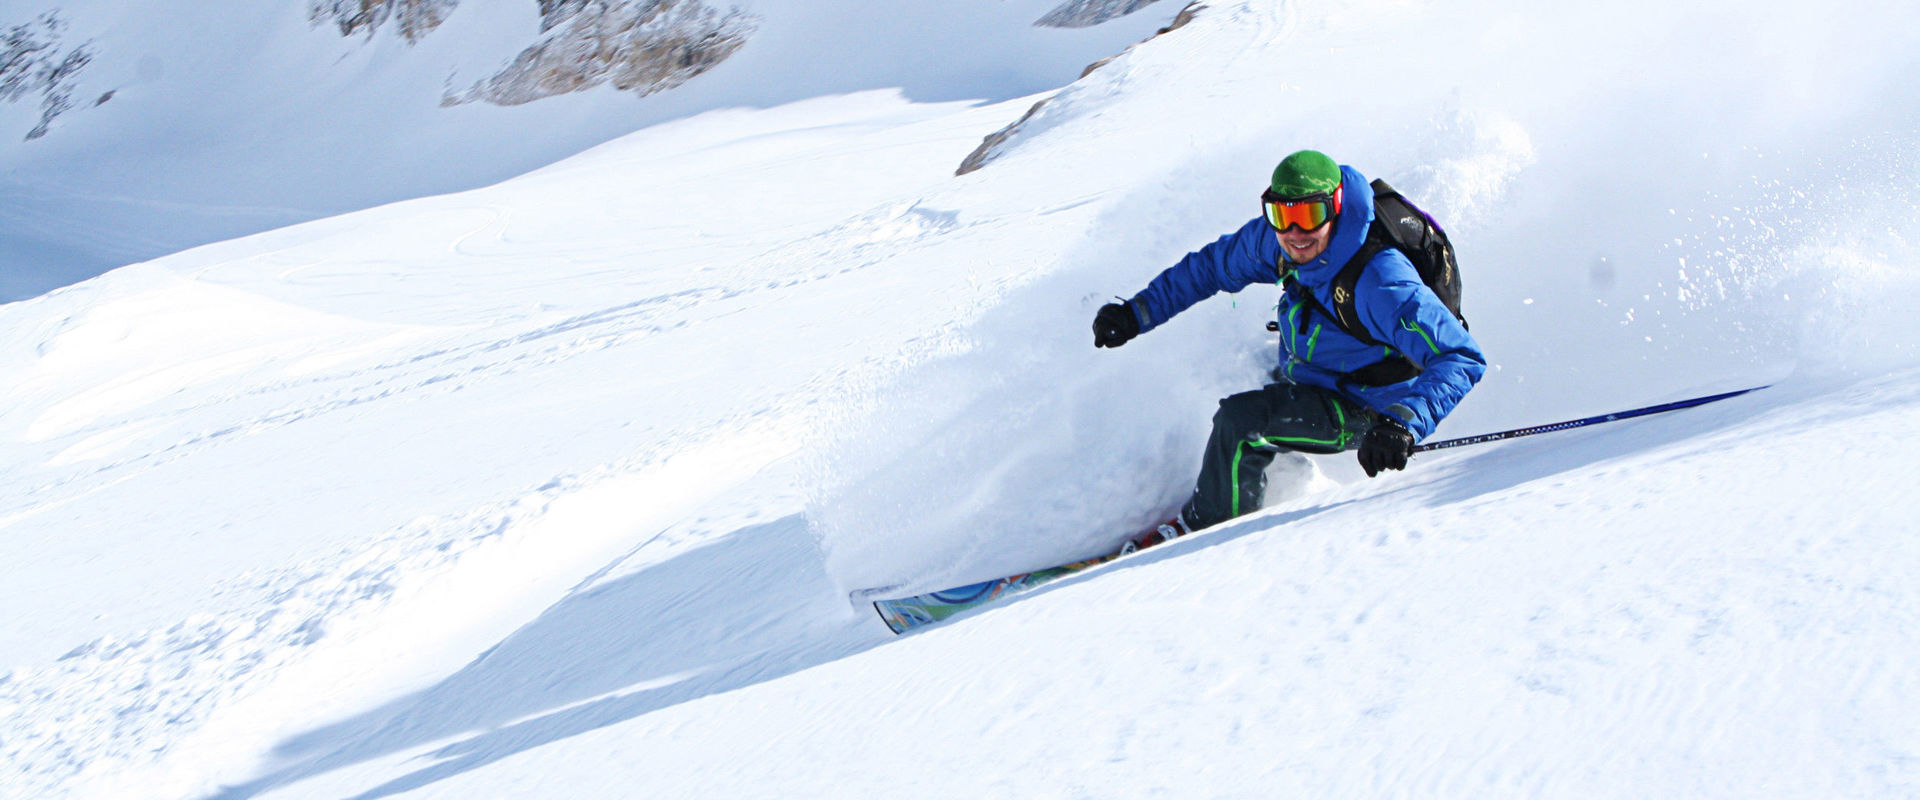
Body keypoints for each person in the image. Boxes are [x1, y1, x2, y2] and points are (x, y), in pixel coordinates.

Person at [1092, 150, 1485, 534]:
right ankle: (1270, 476)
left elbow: (1461, 356)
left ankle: (1208, 530)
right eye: (1282, 215)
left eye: (1308, 216)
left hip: (1370, 406)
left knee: (1242, 423)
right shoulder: (1278, 241)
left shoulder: (1381, 283)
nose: (1295, 233)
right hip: (1316, 366)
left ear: (1334, 208)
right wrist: (1137, 313)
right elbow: (1209, 267)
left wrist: (1401, 425)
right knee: (1239, 373)